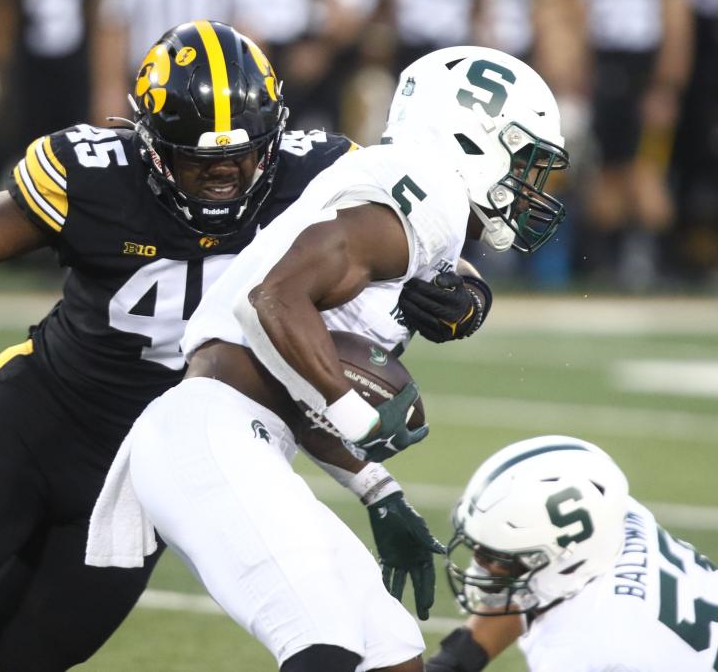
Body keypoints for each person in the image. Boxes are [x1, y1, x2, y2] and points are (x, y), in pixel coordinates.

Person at [0, 22, 475, 672]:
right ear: (151, 142)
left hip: (152, 463)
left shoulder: (315, 173)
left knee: (10, 659)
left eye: (242, 157)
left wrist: (460, 292)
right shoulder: (95, 173)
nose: (225, 176)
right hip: (45, 413)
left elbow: (421, 248)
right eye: (200, 161)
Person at [85, 45, 570, 671]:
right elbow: (277, 299)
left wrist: (378, 489)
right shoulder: (434, 197)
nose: (526, 183)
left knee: (392, 656)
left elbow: (291, 365)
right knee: (325, 645)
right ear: (476, 140)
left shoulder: (415, 191)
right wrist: (357, 416)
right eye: (523, 159)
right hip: (209, 430)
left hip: (242, 433)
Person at [426, 435, 718, 672]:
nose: (479, 562)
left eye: (496, 556)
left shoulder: (586, 651)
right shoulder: (614, 520)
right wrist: (451, 664)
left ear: (564, 564)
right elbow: (527, 596)